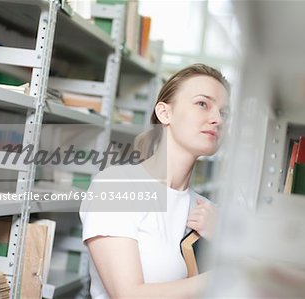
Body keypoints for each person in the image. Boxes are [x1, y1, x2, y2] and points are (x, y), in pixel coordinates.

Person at [79, 63, 230, 298]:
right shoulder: (116, 187)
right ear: (164, 113)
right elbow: (128, 295)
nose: (217, 119)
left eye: (224, 112)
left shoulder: (207, 211)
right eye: (202, 104)